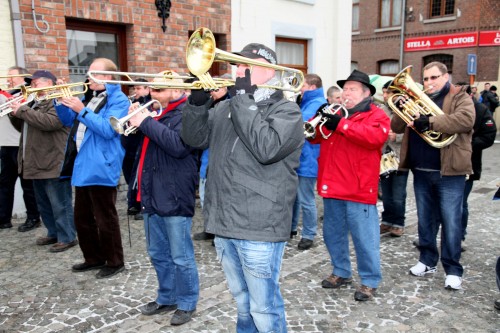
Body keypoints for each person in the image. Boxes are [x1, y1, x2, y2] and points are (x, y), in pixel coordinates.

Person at [181, 43, 304, 332]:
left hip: (259, 224)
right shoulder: (226, 106)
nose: (239, 70)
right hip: (224, 221)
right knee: (242, 301)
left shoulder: (287, 110)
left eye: (246, 64)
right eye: (237, 64)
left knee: (264, 307)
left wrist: (242, 99)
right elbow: (194, 139)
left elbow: (266, 148)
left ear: (270, 70)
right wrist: (197, 104)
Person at [391, 61, 474, 290]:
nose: (429, 82)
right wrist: (399, 106)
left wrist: (429, 121)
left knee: (451, 221)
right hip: (421, 170)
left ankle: (453, 269)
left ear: (445, 77)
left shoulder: (459, 96)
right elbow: (397, 127)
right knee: (425, 220)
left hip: (449, 171)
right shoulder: (415, 97)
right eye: (426, 78)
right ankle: (427, 260)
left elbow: (465, 120)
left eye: (434, 77)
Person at [310, 70, 389, 301]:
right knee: (332, 235)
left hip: (358, 188)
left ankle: (370, 281)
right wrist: (318, 119)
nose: (346, 93)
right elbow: (314, 137)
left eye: (351, 89)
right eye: (344, 89)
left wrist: (341, 125)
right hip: (332, 185)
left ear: (366, 93)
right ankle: (341, 271)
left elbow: (373, 138)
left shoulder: (377, 116)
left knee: (365, 239)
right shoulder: (337, 113)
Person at [129, 73, 200, 326]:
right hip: (151, 193)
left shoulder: (189, 114)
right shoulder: (157, 112)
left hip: (174, 194)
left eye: (158, 90)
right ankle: (167, 296)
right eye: (152, 90)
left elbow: (179, 146)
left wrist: (145, 121)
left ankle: (187, 302)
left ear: (174, 90)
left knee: (181, 256)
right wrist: (137, 122)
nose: (152, 95)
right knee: (158, 253)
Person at [55, 58, 129, 279]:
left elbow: (108, 129)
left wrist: (82, 110)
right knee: (83, 218)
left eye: (93, 73)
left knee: (105, 218)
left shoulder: (119, 99)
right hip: (84, 164)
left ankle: (115, 261)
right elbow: (69, 120)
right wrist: (62, 101)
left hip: (101, 164)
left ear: (107, 77)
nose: (88, 78)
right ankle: (93, 257)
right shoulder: (92, 97)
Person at [9, 70, 77, 252]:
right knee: (44, 202)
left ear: (49, 83)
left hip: (54, 160)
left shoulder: (59, 100)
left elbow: (51, 123)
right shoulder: (33, 103)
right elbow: (23, 126)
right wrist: (14, 113)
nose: (32, 87)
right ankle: (53, 232)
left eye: (36, 83)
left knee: (59, 202)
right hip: (36, 160)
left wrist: (23, 110)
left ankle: (67, 236)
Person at [455, 83, 496, 246]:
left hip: (469, 164)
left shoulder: (480, 110)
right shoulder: (447, 107)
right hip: (445, 164)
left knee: (460, 203)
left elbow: (489, 135)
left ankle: (460, 236)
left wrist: (467, 144)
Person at [192, 73, 232, 242]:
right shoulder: (209, 103)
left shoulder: (229, 104)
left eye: (214, 88)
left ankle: (221, 233)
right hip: (206, 161)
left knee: (221, 201)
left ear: (224, 88)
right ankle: (210, 228)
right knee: (206, 198)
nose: (211, 91)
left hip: (220, 162)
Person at [0, 66, 40, 231]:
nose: (9, 79)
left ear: (23, 77)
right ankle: (3, 218)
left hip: (21, 144)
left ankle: (33, 217)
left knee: (27, 183)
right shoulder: (8, 93)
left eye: (12, 76)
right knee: (4, 183)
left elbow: (23, 111)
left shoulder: (28, 92)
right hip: (5, 144)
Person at [290, 73, 324, 250]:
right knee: (295, 197)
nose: (300, 88)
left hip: (308, 158)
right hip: (302, 157)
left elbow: (301, 126)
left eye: (302, 85)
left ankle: (309, 234)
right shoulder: (307, 102)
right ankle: (292, 227)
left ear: (312, 87)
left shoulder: (316, 103)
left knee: (306, 199)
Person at [379, 80, 409, 237]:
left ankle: (398, 223)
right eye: (383, 92)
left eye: (388, 92)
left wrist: (396, 136)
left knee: (398, 193)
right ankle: (387, 221)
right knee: (386, 192)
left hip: (400, 157)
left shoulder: (406, 109)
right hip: (384, 156)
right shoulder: (381, 109)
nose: (385, 96)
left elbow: (414, 133)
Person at [122, 78, 151, 221]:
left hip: (140, 145)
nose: (135, 92)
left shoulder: (149, 104)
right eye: (134, 89)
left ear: (147, 89)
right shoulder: (132, 103)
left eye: (139, 88)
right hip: (129, 146)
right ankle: (133, 201)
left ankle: (139, 204)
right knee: (130, 175)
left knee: (138, 177)